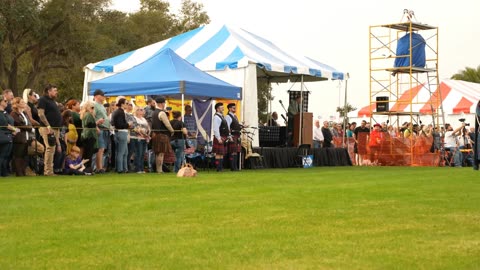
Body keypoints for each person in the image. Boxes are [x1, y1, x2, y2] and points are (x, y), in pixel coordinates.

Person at [37, 84, 62, 176]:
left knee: (52, 149)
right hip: (47, 128)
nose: (56, 92)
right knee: (50, 148)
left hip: (55, 128)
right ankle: (48, 171)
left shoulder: (52, 101)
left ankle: (50, 170)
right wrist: (48, 126)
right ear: (49, 91)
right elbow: (41, 114)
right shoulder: (43, 100)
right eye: (54, 90)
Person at [10, 97, 33, 176]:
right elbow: (19, 124)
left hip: (26, 137)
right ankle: (18, 172)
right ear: (17, 104)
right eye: (22, 102)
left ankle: (23, 171)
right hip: (18, 138)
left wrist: (29, 127)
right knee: (18, 155)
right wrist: (29, 128)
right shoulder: (14, 114)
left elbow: (28, 123)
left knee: (24, 155)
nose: (24, 103)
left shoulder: (24, 113)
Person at [151, 97, 174, 173]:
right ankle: (159, 170)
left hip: (156, 134)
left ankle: (158, 169)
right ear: (161, 103)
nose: (164, 104)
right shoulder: (162, 113)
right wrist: (172, 131)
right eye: (164, 103)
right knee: (161, 154)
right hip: (162, 135)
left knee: (157, 154)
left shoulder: (154, 112)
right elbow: (167, 124)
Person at [111, 98, 131, 173]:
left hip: (121, 132)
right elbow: (119, 125)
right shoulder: (119, 112)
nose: (127, 105)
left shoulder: (119, 111)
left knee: (125, 152)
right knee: (121, 152)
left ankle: (124, 168)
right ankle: (120, 169)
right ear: (122, 104)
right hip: (121, 132)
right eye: (126, 103)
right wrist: (128, 124)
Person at [93, 89, 110, 174]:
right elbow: (92, 117)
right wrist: (96, 127)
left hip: (105, 128)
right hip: (100, 128)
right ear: (96, 96)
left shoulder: (102, 105)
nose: (103, 96)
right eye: (101, 95)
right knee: (100, 148)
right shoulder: (94, 105)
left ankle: (100, 167)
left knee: (103, 149)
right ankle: (99, 168)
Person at [0, 94, 16, 177]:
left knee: (6, 156)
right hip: (3, 136)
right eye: (5, 101)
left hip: (8, 136)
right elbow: (5, 124)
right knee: (2, 155)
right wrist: (15, 129)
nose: (7, 102)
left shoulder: (5, 112)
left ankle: (4, 172)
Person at [80, 101, 98, 172]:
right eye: (92, 107)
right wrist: (97, 123)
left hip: (85, 135)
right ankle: (88, 168)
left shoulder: (85, 114)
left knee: (87, 153)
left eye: (93, 107)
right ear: (87, 107)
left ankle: (86, 167)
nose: (93, 109)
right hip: (89, 135)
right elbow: (90, 125)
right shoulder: (88, 115)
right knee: (89, 153)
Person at [132, 105, 150, 173]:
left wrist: (148, 133)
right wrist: (144, 133)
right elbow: (137, 128)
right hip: (138, 138)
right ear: (137, 111)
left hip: (144, 138)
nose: (142, 111)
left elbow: (148, 127)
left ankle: (142, 168)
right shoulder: (135, 118)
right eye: (141, 110)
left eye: (142, 110)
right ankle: (137, 168)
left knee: (143, 153)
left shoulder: (143, 119)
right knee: (138, 153)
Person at [212, 102, 229, 172]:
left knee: (221, 153)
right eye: (221, 108)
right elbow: (216, 129)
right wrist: (218, 138)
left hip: (223, 136)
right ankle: (218, 168)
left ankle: (221, 167)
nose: (223, 109)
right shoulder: (216, 117)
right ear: (217, 109)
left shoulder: (222, 116)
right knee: (218, 153)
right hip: (219, 137)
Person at [225, 103, 242, 171]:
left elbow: (236, 125)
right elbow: (227, 127)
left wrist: (242, 126)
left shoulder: (235, 116)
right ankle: (232, 167)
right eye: (233, 108)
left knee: (236, 151)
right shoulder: (228, 117)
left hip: (237, 135)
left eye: (235, 108)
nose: (235, 109)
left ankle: (235, 167)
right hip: (232, 135)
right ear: (229, 109)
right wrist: (229, 136)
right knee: (232, 151)